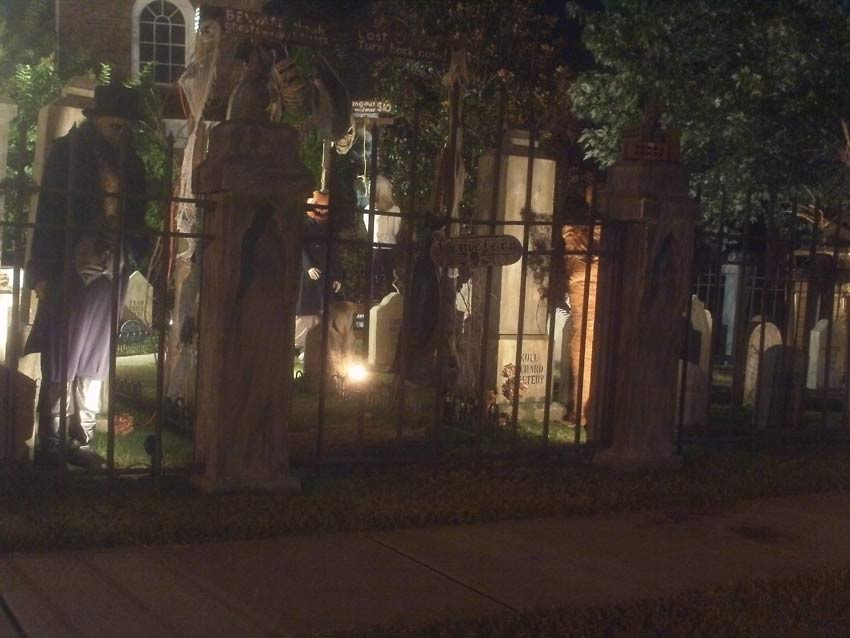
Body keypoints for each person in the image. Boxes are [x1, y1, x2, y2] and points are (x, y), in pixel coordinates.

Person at [25, 84, 149, 469]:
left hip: (113, 268)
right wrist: (42, 271)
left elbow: (138, 216)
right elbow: (49, 211)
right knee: (63, 351)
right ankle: (52, 442)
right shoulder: (68, 153)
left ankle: (82, 437)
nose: (121, 133)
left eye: (126, 127)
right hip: (72, 264)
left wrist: (137, 253)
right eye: (115, 125)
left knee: (96, 356)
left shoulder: (132, 163)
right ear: (96, 120)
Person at [294, 191, 341, 352]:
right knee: (306, 310)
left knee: (323, 310)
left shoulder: (329, 227)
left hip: (326, 274)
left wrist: (337, 276)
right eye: (320, 207)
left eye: (325, 208)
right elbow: (300, 247)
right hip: (310, 275)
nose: (322, 211)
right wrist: (308, 266)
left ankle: (320, 343)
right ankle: (300, 344)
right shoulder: (305, 225)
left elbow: (335, 252)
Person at [362, 175, 401, 299]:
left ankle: (390, 301)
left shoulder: (395, 209)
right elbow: (369, 229)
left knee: (391, 277)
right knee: (374, 276)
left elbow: (396, 229)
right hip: (377, 246)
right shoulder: (369, 209)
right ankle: (374, 301)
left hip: (388, 246)